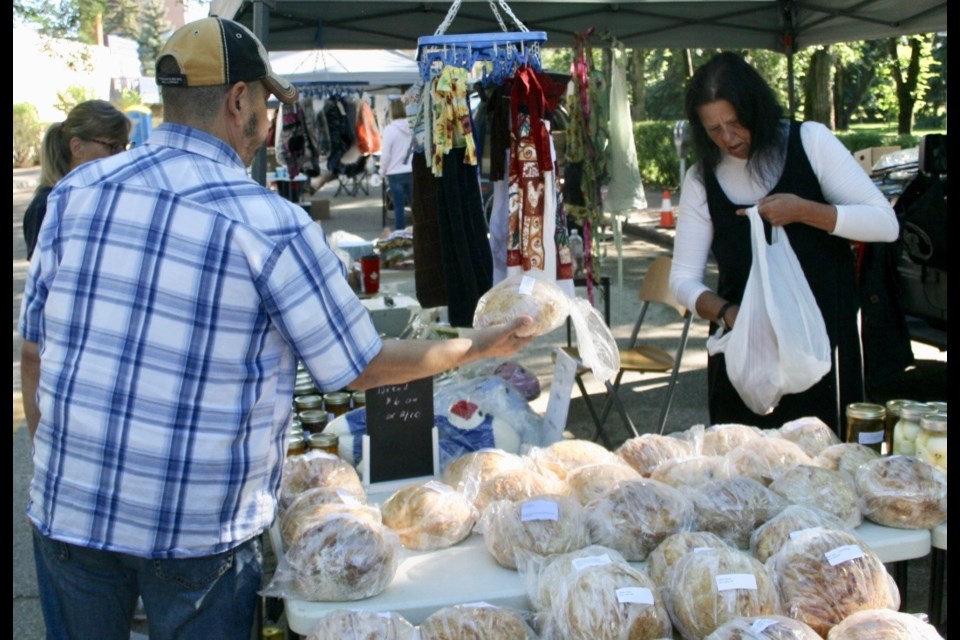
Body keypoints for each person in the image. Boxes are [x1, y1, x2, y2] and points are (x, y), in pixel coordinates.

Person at [18, 17, 533, 640]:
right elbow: (358, 365)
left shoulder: (76, 193)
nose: (269, 116)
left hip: (70, 509)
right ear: (239, 102)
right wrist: (477, 344)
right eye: (265, 100)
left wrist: (59, 464)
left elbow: (34, 353)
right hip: (196, 533)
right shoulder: (269, 223)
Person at [669, 51, 899, 437]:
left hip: (821, 351)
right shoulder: (700, 179)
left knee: (824, 468)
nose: (728, 138)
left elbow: (884, 223)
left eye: (735, 123)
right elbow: (683, 281)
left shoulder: (809, 141)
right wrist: (730, 314)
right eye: (713, 130)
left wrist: (806, 211)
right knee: (744, 476)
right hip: (746, 355)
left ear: (756, 109)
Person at [22, 99, 131, 260]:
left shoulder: (105, 196)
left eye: (125, 146)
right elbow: (43, 278)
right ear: (77, 148)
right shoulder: (46, 205)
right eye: (113, 146)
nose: (122, 155)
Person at [379, 98, 414, 230]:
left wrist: (382, 171)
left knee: (398, 207)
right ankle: (420, 233)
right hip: (410, 170)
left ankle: (399, 235)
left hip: (394, 172)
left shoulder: (390, 130)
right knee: (415, 206)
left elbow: (386, 154)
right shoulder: (412, 127)